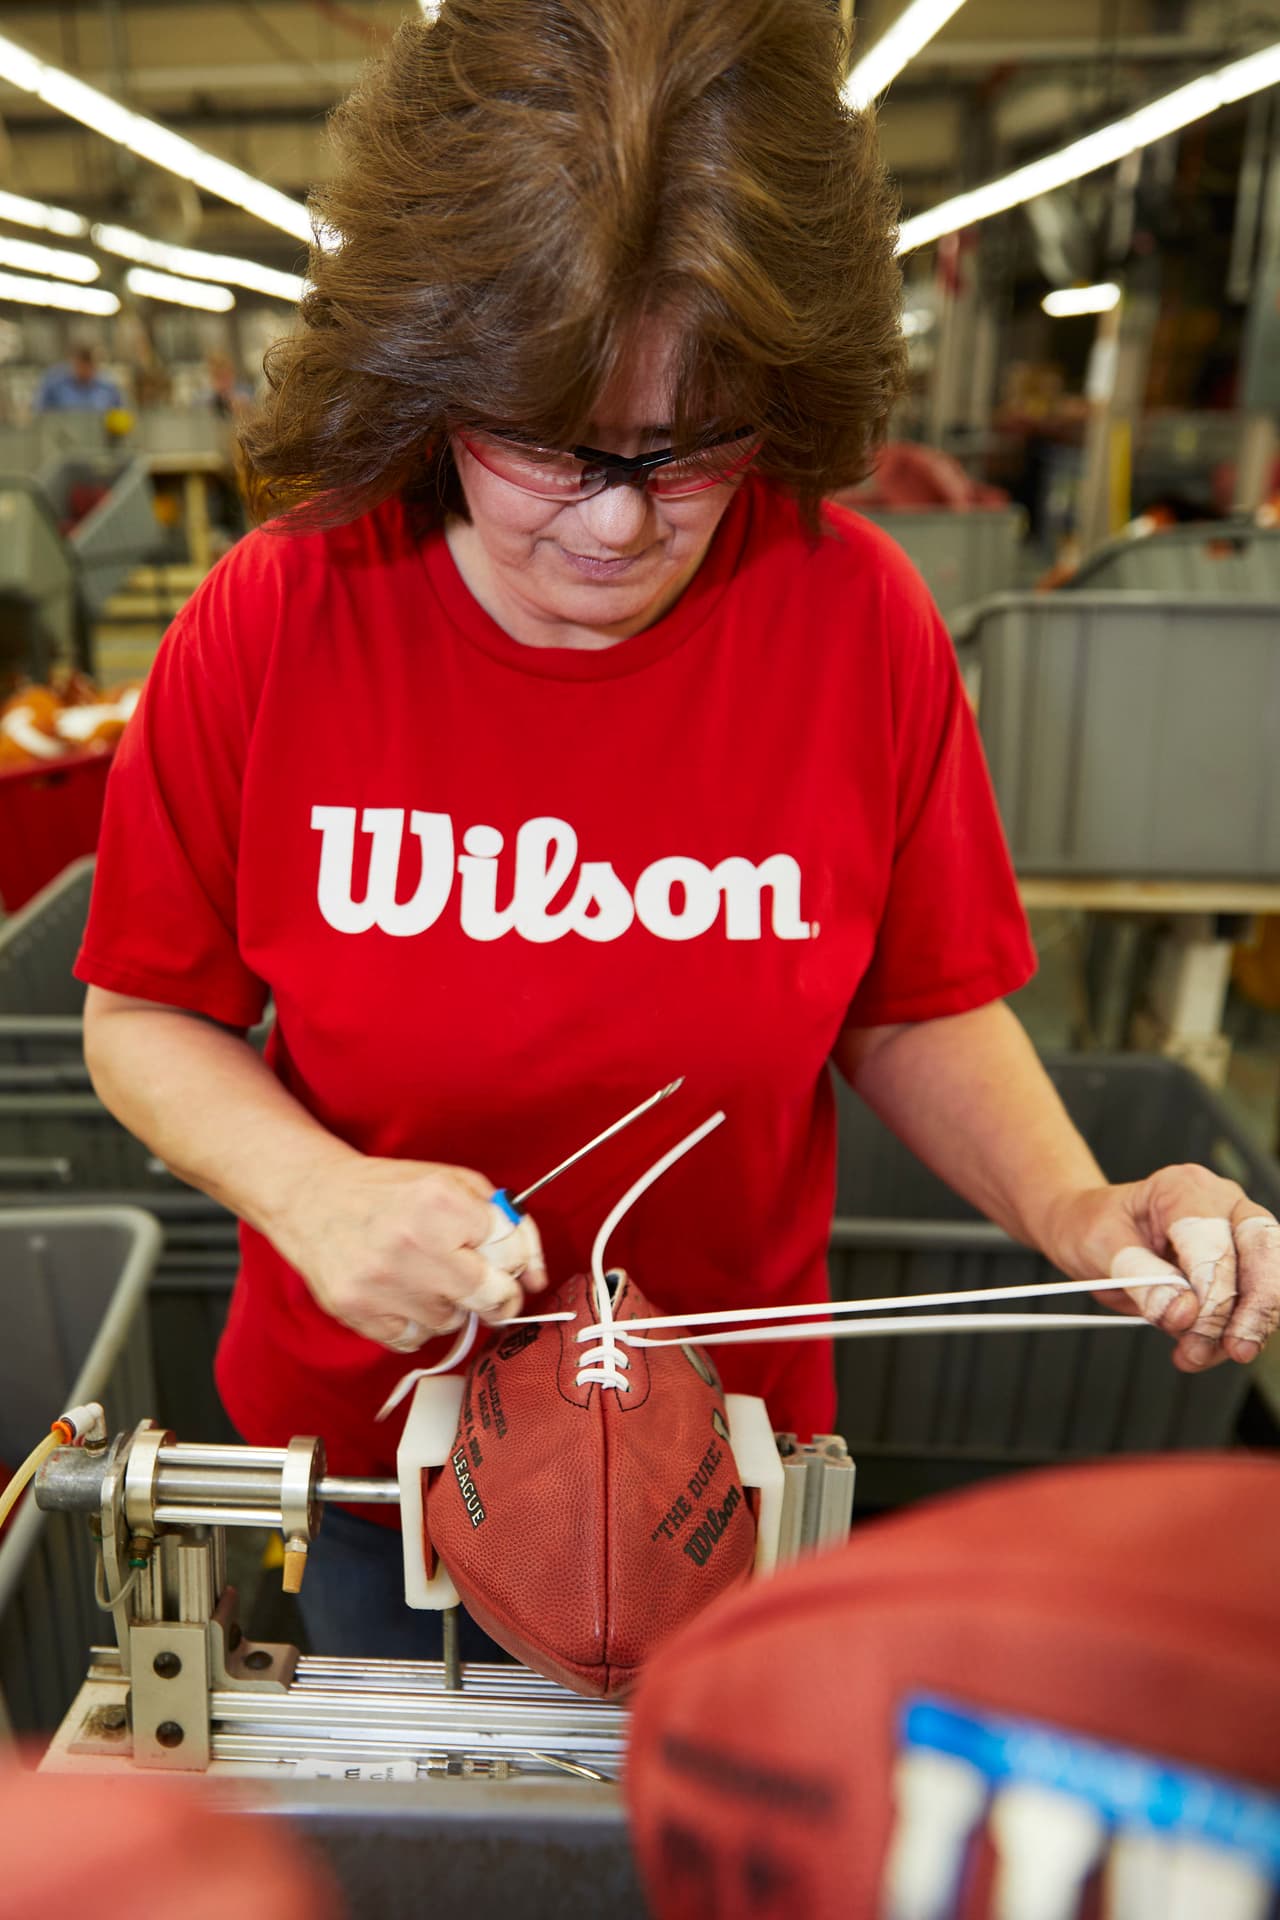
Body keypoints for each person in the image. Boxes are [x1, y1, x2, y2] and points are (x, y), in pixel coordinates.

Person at [77, 0, 1279, 1660]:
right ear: (431, 373)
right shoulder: (280, 618)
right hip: (365, 1470)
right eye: (550, 445)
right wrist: (315, 1198)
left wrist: (1080, 1213)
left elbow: (914, 997)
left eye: (692, 444)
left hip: (722, 1475)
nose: (625, 517)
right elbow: (145, 1014)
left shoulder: (854, 621)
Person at [35, 343, 123, 414]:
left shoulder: (108, 388)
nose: (85, 371)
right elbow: (40, 412)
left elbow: (120, 414)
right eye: (81, 366)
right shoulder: (55, 385)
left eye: (90, 366)